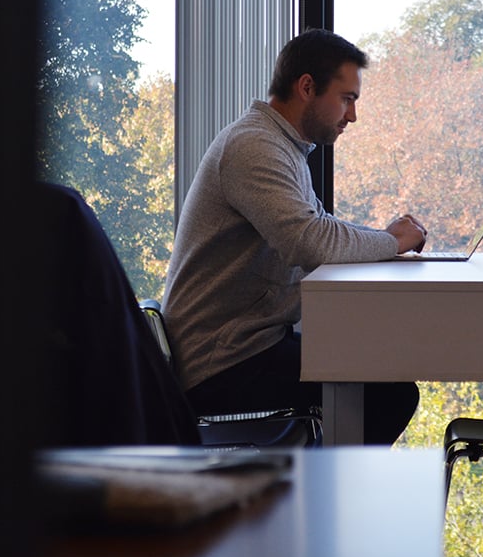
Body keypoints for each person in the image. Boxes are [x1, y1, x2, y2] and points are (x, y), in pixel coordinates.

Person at [161, 28, 428, 445]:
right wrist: (392, 241)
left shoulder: (282, 147)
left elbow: (316, 228)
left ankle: (317, 497)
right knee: (388, 393)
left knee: (382, 377)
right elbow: (309, 242)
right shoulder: (254, 147)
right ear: (307, 87)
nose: (352, 116)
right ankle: (320, 504)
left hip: (247, 346)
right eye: (347, 98)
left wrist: (386, 239)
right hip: (222, 361)